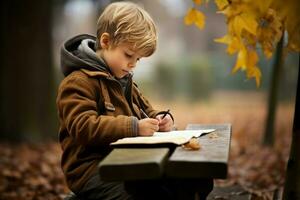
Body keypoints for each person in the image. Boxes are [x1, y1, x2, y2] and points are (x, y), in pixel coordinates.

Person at [57, 2, 212, 200]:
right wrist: (133, 127)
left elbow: (145, 108)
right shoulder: (78, 82)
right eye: (129, 55)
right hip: (92, 171)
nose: (133, 64)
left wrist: (160, 119)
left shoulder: (123, 77)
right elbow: (83, 127)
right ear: (105, 41)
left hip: (130, 161)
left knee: (183, 180)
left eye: (138, 59)